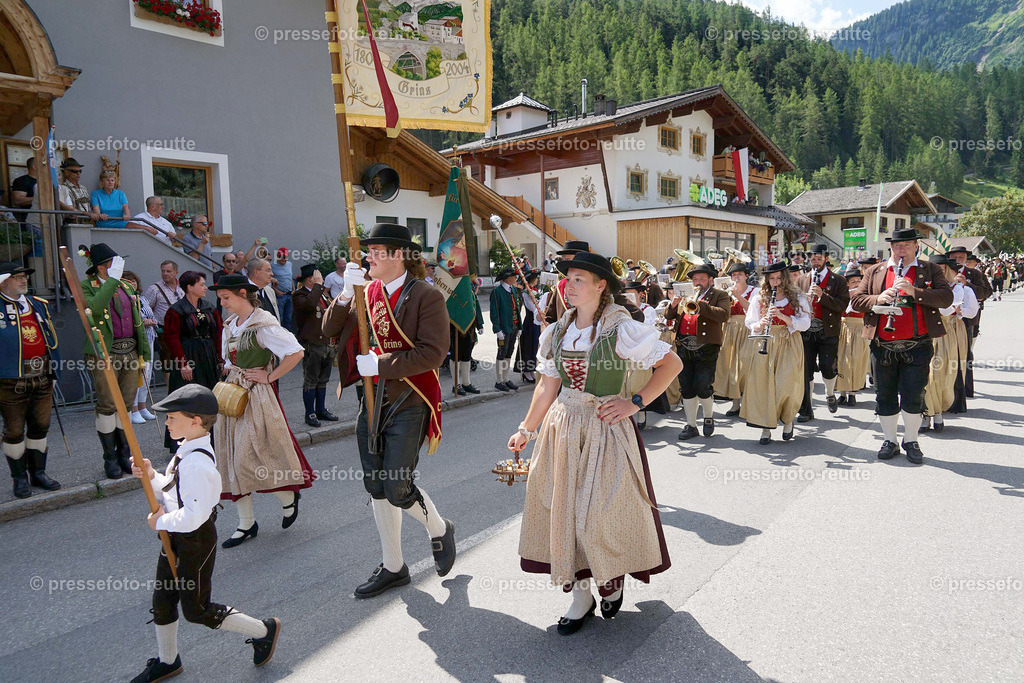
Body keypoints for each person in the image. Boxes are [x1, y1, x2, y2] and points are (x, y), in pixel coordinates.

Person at [507, 252, 680, 634]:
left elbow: (671, 365)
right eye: (568, 278)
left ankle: (611, 580)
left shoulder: (621, 327)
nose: (569, 285)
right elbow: (548, 385)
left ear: (601, 286)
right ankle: (581, 595)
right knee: (565, 514)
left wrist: (634, 402)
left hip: (605, 430)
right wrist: (526, 429)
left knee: (600, 516)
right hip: (564, 429)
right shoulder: (558, 330)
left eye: (579, 279)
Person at [321, 222, 455, 599]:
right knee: (376, 486)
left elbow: (432, 353)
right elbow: (329, 330)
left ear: (397, 255)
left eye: (375, 252)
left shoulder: (427, 296)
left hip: (409, 400)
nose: (367, 258)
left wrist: (380, 365)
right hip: (371, 401)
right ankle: (394, 566)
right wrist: (344, 295)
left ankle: (440, 528)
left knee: (397, 487)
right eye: (368, 252)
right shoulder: (366, 291)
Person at [129, 384, 281, 683]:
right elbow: (173, 492)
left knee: (197, 609)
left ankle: (263, 630)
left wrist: (160, 522)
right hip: (177, 534)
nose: (166, 422)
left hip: (194, 539)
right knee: (163, 601)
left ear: (195, 421)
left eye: (172, 417)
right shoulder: (186, 450)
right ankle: (168, 661)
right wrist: (151, 476)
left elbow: (193, 517)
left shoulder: (196, 463)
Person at [210, 274, 313, 547]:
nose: (223, 303)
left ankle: (287, 496)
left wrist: (270, 376)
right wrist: (229, 369)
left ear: (243, 293)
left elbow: (296, 352)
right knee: (230, 458)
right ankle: (246, 523)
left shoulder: (263, 325)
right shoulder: (230, 325)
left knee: (247, 459)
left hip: (257, 396)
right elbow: (228, 360)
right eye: (221, 298)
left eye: (226, 297)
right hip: (232, 394)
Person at [850, 227, 954, 464]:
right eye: (897, 245)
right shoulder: (875, 271)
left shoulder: (930, 269)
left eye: (907, 245)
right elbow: (856, 300)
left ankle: (911, 440)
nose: (902, 249)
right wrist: (878, 299)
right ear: (891, 248)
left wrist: (914, 292)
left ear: (916, 246)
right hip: (882, 345)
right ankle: (890, 440)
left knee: (913, 395)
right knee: (884, 395)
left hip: (917, 344)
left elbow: (946, 297)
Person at [81, 243, 151, 479]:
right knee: (108, 405)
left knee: (126, 404)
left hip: (129, 350)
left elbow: (137, 321)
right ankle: (110, 458)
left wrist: (144, 352)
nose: (119, 266)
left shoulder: (125, 286)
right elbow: (94, 309)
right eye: (114, 263)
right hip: (104, 353)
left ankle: (124, 454)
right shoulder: (86, 286)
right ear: (102, 267)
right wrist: (111, 280)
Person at [0, 261, 61, 498]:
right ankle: (19, 478)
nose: (24, 280)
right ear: (3, 282)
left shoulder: (38, 304)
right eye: (18, 277)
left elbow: (51, 339)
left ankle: (38, 473)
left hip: (41, 375)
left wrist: (54, 371)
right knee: (14, 431)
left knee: (40, 426)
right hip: (10, 380)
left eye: (25, 276)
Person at [742, 261, 811, 444]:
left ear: (785, 278)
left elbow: (805, 324)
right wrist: (760, 324)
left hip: (789, 342)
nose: (775, 282)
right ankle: (765, 428)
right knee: (764, 385)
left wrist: (783, 317)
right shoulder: (759, 296)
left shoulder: (797, 296)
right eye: (771, 278)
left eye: (779, 278)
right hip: (766, 341)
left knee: (786, 384)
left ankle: (788, 420)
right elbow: (750, 322)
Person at [664, 263, 731, 439]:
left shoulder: (720, 295)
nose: (698, 282)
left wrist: (699, 304)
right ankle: (691, 425)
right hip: (683, 345)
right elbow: (669, 316)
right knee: (686, 387)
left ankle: (708, 417)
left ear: (711, 280)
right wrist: (674, 304)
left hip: (706, 346)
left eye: (702, 278)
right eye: (695, 279)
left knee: (702, 385)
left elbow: (724, 315)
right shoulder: (685, 294)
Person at [162, 271, 223, 450]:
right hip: (188, 355)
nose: (205, 288)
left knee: (209, 395)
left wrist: (220, 358)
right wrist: (182, 363)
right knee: (187, 397)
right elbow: (171, 339)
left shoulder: (209, 307)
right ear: (189, 287)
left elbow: (218, 333)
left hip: (208, 355)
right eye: (201, 284)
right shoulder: (176, 311)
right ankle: (181, 439)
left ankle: (210, 438)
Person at [922, 254, 977, 432]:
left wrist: (927, 297)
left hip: (945, 333)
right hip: (924, 332)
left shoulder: (957, 289)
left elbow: (946, 311)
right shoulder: (923, 286)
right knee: (923, 376)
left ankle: (938, 412)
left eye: (940, 269)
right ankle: (926, 414)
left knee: (940, 375)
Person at [796, 244, 850, 421]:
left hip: (828, 330)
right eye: (812, 259)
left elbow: (842, 305)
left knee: (828, 367)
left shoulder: (839, 280)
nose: (815, 262)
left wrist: (822, 296)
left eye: (819, 258)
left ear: (826, 259)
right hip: (806, 331)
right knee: (806, 370)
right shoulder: (802, 280)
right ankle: (807, 409)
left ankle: (829, 393)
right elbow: (793, 303)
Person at [292, 263, 339, 427]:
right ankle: (309, 413)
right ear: (309, 279)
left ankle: (320, 409)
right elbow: (310, 305)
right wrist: (318, 286)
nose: (321, 278)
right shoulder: (299, 295)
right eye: (317, 276)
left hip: (326, 342)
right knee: (311, 380)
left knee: (323, 379)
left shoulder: (322, 294)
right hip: (312, 343)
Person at [947, 246, 990, 398]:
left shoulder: (975, 274)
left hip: (967, 320)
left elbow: (986, 292)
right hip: (946, 319)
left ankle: (965, 388)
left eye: (961, 257)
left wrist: (967, 284)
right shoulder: (942, 272)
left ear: (966, 259)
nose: (958, 260)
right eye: (955, 257)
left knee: (965, 353)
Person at [714, 263, 755, 417]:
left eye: (739, 274)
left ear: (746, 276)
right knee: (730, 366)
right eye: (733, 275)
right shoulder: (726, 291)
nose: (736, 277)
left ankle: (748, 403)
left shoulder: (755, 291)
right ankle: (735, 403)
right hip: (729, 329)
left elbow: (752, 310)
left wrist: (737, 295)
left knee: (745, 366)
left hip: (746, 328)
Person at [122, 271, 159, 425]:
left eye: (134, 281)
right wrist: (144, 321)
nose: (132, 283)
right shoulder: (124, 300)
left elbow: (152, 315)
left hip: (149, 338)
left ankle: (143, 406)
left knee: (147, 374)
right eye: (128, 281)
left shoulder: (142, 299)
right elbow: (132, 319)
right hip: (135, 341)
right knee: (136, 375)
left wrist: (152, 321)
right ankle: (134, 408)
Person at [144, 261, 185, 386]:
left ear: (176, 272)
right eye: (163, 271)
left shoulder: (183, 287)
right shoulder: (154, 289)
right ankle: (170, 390)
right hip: (164, 330)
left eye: (168, 271)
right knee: (167, 361)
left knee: (183, 358)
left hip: (182, 329)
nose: (165, 274)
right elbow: (145, 309)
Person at [835, 268, 870, 406]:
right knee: (842, 360)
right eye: (853, 282)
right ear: (847, 284)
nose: (856, 284)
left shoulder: (864, 295)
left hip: (859, 328)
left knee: (856, 360)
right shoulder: (843, 295)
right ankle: (842, 393)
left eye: (859, 281)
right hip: (844, 328)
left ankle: (852, 393)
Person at [449, 277, 484, 395]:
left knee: (467, 355)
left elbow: (475, 305)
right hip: (455, 327)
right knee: (456, 355)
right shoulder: (454, 287)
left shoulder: (469, 287)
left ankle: (466, 383)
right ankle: (456, 384)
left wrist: (480, 324)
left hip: (470, 328)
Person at [490, 267, 522, 392]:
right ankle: (499, 381)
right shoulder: (497, 292)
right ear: (508, 278)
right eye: (514, 276)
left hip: (514, 326)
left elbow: (517, 309)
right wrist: (497, 329)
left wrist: (519, 326)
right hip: (504, 328)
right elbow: (494, 312)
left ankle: (506, 378)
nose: (516, 278)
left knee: (509, 352)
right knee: (502, 353)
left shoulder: (513, 289)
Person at [517, 270, 542, 384]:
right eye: (536, 278)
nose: (537, 280)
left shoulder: (535, 291)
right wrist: (540, 306)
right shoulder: (526, 293)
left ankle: (532, 370)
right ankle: (526, 371)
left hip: (536, 322)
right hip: (530, 323)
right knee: (528, 345)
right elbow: (532, 308)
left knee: (535, 345)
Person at [57, 158, 100, 223]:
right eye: (75, 171)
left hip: (87, 224)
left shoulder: (83, 188)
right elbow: (68, 209)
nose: (78, 173)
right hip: (72, 224)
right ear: (66, 172)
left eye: (80, 171)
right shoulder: (63, 189)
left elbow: (88, 207)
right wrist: (88, 214)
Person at [270, 248, 294, 331]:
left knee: (288, 318)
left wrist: (293, 288)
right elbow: (268, 280)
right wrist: (276, 290)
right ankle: (279, 333)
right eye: (281, 257)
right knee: (279, 317)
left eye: (285, 257)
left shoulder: (289, 264)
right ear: (277, 256)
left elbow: (290, 277)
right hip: (280, 295)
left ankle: (288, 335)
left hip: (289, 294)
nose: (283, 259)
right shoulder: (272, 265)